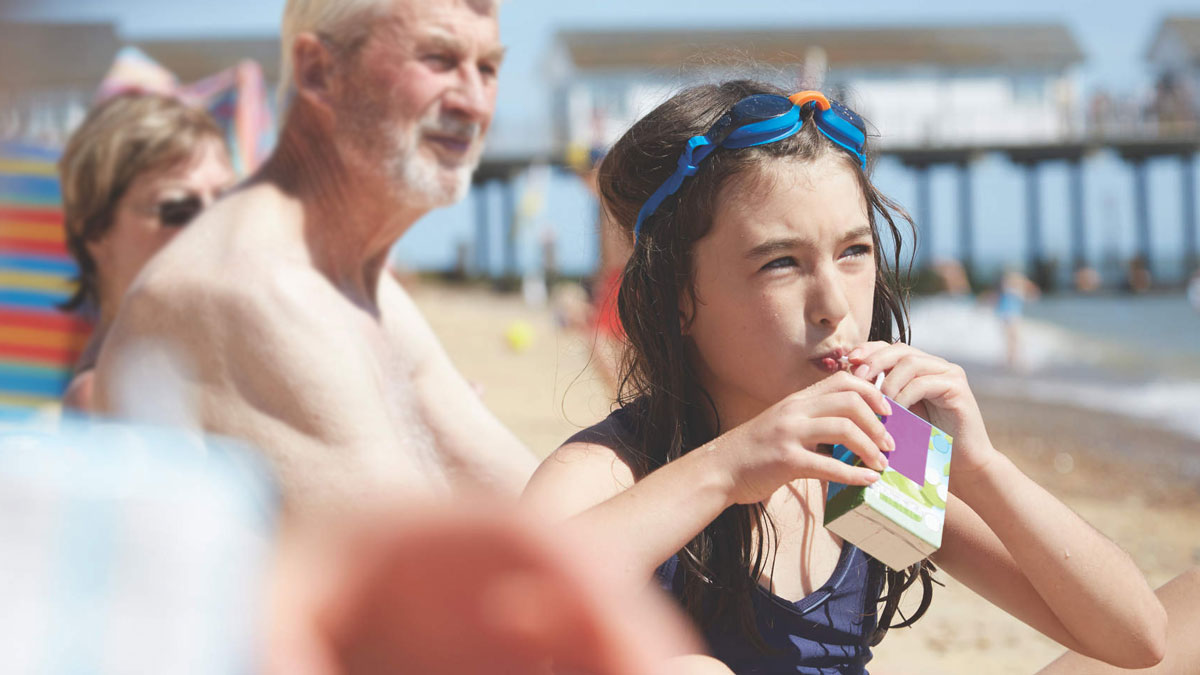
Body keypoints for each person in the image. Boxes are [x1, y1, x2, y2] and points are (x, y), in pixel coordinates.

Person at [522, 81, 1168, 673]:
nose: (834, 302)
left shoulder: (867, 457)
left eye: (854, 251)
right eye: (781, 262)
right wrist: (728, 468)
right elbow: (508, 608)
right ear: (678, 298)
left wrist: (982, 469)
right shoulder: (618, 468)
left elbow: (1135, 640)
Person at [93, 0, 537, 514]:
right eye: (438, 59)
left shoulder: (362, 288)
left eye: (488, 68)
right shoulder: (244, 287)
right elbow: (417, 582)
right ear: (319, 71)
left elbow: (542, 519)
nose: (474, 103)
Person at [58, 92, 236, 411]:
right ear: (96, 229)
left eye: (227, 202)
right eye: (178, 209)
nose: (214, 225)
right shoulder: (103, 396)